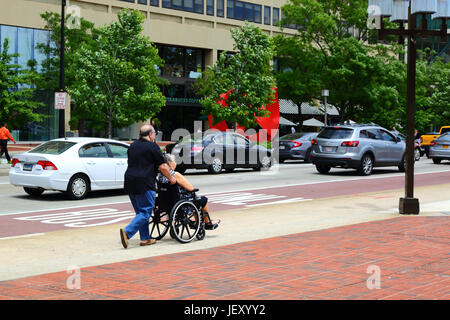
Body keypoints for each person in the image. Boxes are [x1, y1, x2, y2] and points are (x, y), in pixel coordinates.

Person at [120, 124, 176, 249]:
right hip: (144, 182)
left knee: (140, 212)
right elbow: (162, 166)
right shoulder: (152, 146)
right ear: (150, 134)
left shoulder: (132, 146)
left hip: (130, 181)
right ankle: (127, 232)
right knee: (145, 212)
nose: (155, 136)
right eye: (154, 133)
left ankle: (145, 238)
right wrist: (171, 178)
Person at [157, 153, 220, 230]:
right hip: (179, 201)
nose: (175, 163)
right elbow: (191, 188)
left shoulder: (159, 175)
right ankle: (207, 222)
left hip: (164, 202)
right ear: (169, 163)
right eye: (174, 161)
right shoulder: (175, 174)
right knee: (203, 200)